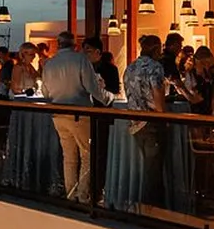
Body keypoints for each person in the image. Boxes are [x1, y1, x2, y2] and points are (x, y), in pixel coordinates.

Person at [42, 32, 114, 204]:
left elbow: (45, 92)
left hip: (58, 113)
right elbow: (93, 88)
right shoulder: (80, 60)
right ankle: (83, 196)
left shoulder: (49, 64)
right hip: (79, 113)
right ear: (74, 45)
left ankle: (70, 194)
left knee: (69, 156)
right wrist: (109, 98)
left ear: (58, 44)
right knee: (86, 155)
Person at [123, 34, 169, 207]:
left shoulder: (130, 67)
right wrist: (164, 117)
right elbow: (158, 96)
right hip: (152, 122)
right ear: (156, 49)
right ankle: (153, 210)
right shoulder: (155, 68)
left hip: (135, 123)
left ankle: (143, 207)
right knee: (154, 171)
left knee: (147, 168)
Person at [182, 46, 214, 113]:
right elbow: (188, 88)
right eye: (204, 63)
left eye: (208, 63)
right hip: (197, 108)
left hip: (211, 107)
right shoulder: (191, 73)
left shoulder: (212, 72)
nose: (207, 65)